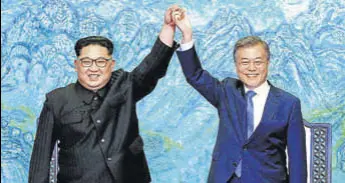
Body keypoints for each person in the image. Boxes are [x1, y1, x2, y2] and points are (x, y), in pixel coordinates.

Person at [28, 6, 180, 183]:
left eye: (101, 61)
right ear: (76, 65)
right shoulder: (56, 100)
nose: (94, 68)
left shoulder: (125, 86)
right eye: (86, 62)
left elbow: (152, 67)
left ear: (111, 64)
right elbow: (40, 161)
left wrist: (168, 27)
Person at [172, 8, 307, 183]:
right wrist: (187, 35)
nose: (251, 68)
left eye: (258, 62)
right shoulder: (227, 91)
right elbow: (195, 75)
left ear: (268, 63)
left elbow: (297, 161)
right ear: (236, 65)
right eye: (245, 62)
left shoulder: (289, 104)